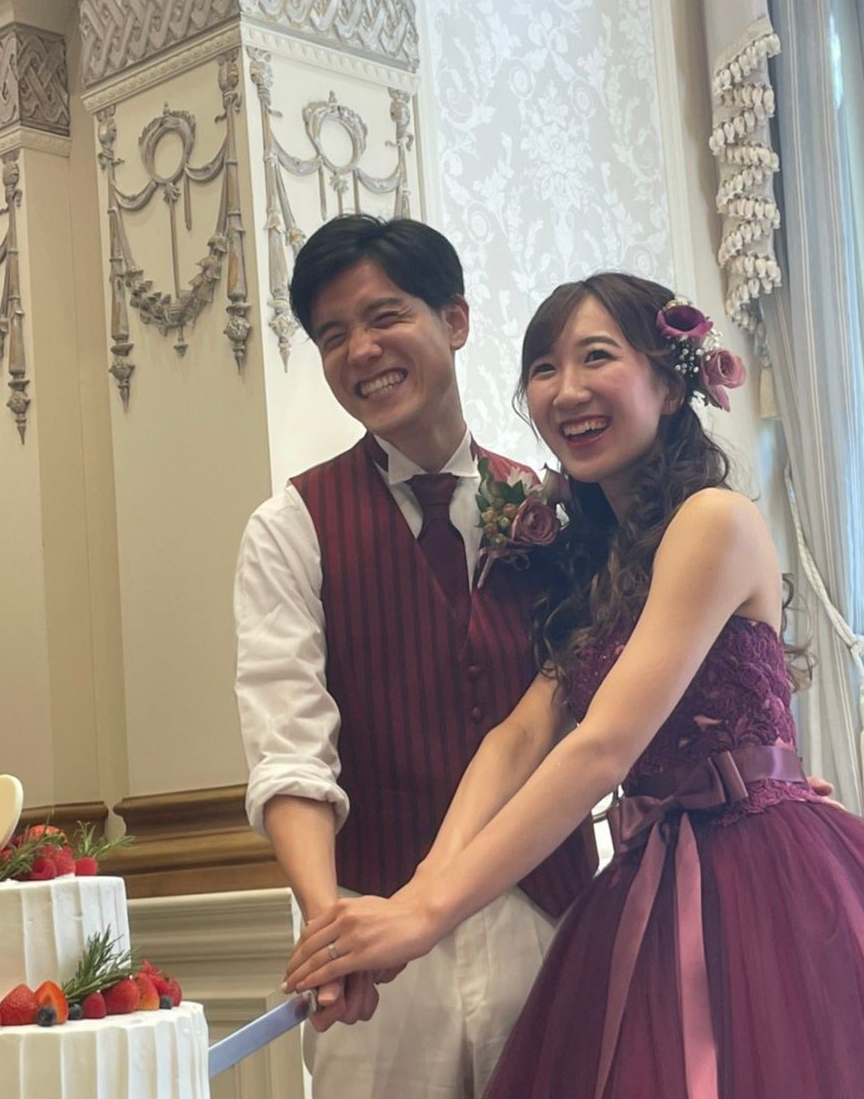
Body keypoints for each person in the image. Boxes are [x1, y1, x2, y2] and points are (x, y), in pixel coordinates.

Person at [284, 272, 864, 1098]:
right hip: (651, 877)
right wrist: (419, 892)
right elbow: (517, 738)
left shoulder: (714, 521)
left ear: (671, 386)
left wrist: (427, 917)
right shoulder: (601, 567)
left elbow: (602, 747)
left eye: (596, 357)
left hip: (763, 878)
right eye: (544, 368)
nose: (566, 390)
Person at [234, 215, 597, 1099]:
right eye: (332, 335)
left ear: (455, 320)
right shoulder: (290, 528)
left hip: (551, 919)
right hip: (382, 944)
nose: (360, 350)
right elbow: (288, 746)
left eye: (384, 316)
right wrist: (329, 921)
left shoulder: (558, 510)